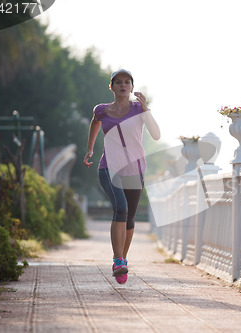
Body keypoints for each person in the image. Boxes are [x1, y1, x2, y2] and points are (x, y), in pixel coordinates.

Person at [83, 69, 161, 284]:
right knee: (121, 208)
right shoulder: (102, 110)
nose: (123, 85)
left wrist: (146, 109)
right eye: (119, 82)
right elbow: (95, 122)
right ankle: (118, 259)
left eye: (127, 82)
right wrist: (90, 149)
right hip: (109, 168)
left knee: (130, 218)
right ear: (112, 87)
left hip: (135, 170)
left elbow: (156, 134)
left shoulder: (138, 109)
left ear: (132, 87)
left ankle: (123, 260)